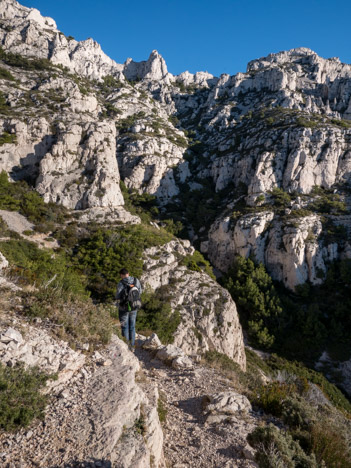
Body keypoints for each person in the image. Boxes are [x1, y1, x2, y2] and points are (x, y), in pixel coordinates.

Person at [116, 268, 142, 351]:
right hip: (134, 306)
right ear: (128, 273)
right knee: (132, 327)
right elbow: (140, 291)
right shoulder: (136, 280)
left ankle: (126, 346)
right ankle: (132, 346)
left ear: (121, 275)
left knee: (125, 327)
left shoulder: (121, 283)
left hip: (124, 308)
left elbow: (118, 296)